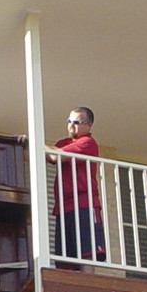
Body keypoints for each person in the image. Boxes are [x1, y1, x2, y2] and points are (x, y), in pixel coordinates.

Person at [49, 106, 106, 269]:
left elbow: (55, 155)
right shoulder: (63, 143)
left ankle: (87, 291)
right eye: (69, 121)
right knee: (66, 259)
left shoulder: (87, 143)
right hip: (63, 206)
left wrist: (36, 143)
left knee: (87, 253)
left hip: (84, 203)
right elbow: (43, 156)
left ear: (88, 125)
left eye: (76, 122)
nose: (71, 126)